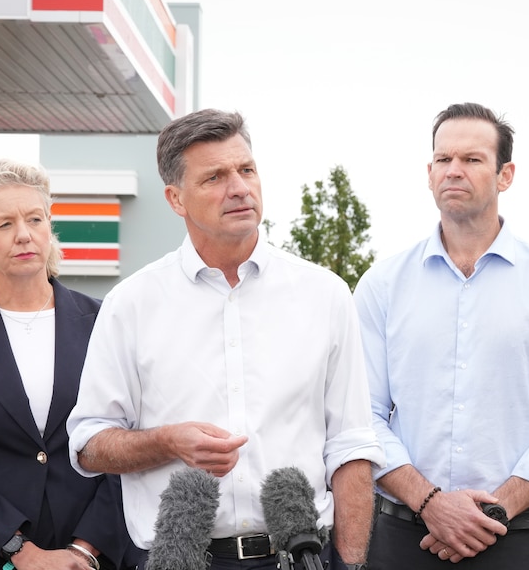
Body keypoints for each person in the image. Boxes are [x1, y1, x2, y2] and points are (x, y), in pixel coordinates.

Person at [66, 108, 384, 570]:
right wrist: (167, 442)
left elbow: (351, 445)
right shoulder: (130, 304)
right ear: (176, 199)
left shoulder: (326, 294)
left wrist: (352, 565)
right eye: (214, 177)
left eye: (246, 170)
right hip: (176, 559)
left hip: (303, 557)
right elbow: (89, 443)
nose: (238, 188)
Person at [353, 103, 529, 569]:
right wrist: (431, 504)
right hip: (403, 541)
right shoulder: (381, 285)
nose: (454, 170)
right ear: (429, 173)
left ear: (505, 175)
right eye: (443, 159)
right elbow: (362, 418)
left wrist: (488, 515)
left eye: (472, 159)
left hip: (515, 540)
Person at [0, 159, 135, 570]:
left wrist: (84, 549)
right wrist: (22, 551)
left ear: (49, 227)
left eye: (35, 219)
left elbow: (126, 443)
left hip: (93, 555)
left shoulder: (103, 321)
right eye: (4, 224)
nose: (24, 234)